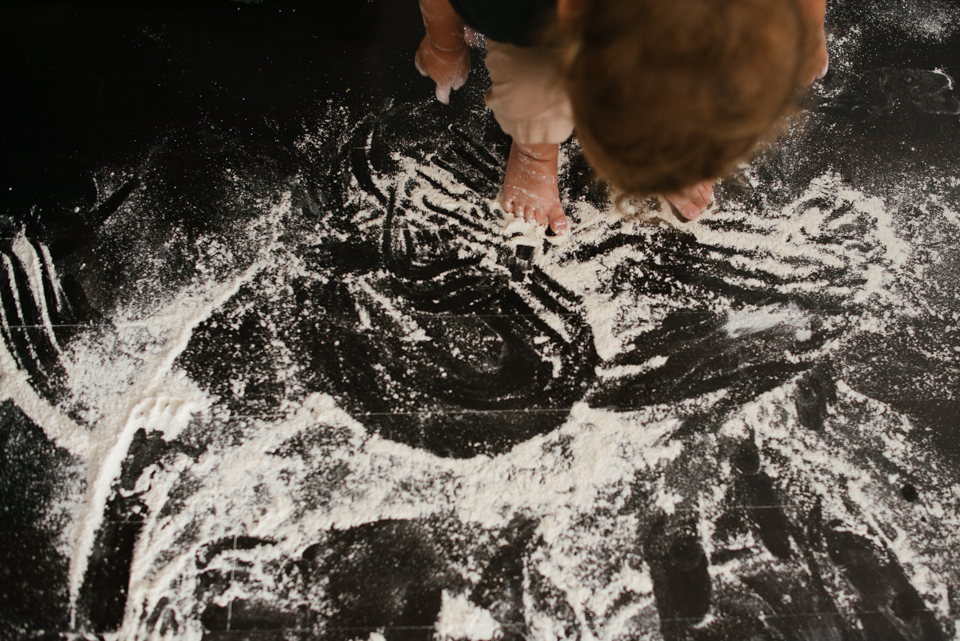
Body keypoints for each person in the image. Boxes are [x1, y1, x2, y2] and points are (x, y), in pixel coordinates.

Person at [415, 0, 829, 234]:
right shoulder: (509, 6)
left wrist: (808, 28)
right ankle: (535, 153)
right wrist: (445, 45)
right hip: (537, 21)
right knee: (532, 91)